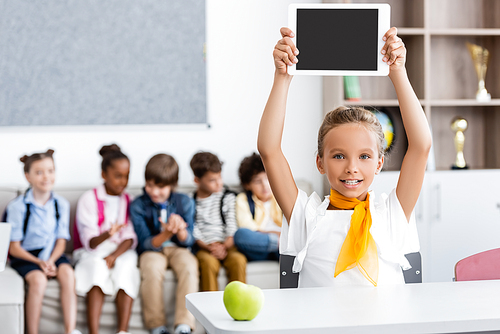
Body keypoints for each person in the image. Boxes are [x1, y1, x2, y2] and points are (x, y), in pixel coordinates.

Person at [258, 27, 432, 287]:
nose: (352, 168)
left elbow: (421, 146)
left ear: (379, 164)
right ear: (320, 162)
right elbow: (269, 149)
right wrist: (282, 77)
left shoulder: (391, 213)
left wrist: (398, 73)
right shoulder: (305, 216)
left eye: (364, 156)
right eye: (339, 156)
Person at [6, 150, 80, 334]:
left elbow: (61, 241)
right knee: (38, 280)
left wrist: (51, 260)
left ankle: (70, 330)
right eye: (39, 172)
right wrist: (39, 262)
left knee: (68, 274)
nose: (46, 177)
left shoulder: (60, 204)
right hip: (27, 256)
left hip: (53, 254)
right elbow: (14, 248)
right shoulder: (17, 207)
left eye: (50, 171)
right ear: (27, 176)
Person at [73, 144, 139, 334]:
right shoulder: (89, 199)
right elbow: (91, 242)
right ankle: (94, 331)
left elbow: (129, 238)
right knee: (96, 268)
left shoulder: (129, 201)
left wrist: (115, 256)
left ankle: (122, 331)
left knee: (127, 267)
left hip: (120, 251)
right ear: (104, 175)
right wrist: (108, 234)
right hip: (93, 250)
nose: (123, 182)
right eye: (118, 176)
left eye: (126, 176)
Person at [130, 154, 198, 334]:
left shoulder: (185, 202)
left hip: (177, 248)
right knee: (151, 268)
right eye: (150, 185)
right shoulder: (138, 205)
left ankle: (184, 326)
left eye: (160, 187)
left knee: (189, 266)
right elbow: (144, 243)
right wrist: (166, 232)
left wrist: (181, 230)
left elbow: (189, 240)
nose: (154, 192)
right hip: (152, 250)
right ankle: (157, 327)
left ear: (172, 185)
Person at [190, 152, 247, 291]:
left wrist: (224, 246)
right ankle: (209, 309)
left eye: (220, 177)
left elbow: (232, 225)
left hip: (228, 244)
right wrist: (208, 247)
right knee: (208, 263)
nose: (219, 183)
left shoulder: (227, 197)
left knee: (238, 260)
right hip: (205, 247)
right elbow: (193, 229)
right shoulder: (190, 201)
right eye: (212, 180)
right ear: (197, 180)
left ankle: (240, 305)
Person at [233, 152, 282, 261]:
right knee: (240, 234)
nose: (264, 185)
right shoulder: (243, 199)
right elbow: (250, 229)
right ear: (247, 185)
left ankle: (283, 245)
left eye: (267, 178)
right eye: (257, 181)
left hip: (282, 251)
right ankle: (281, 244)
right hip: (260, 248)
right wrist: (280, 236)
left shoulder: (281, 196)